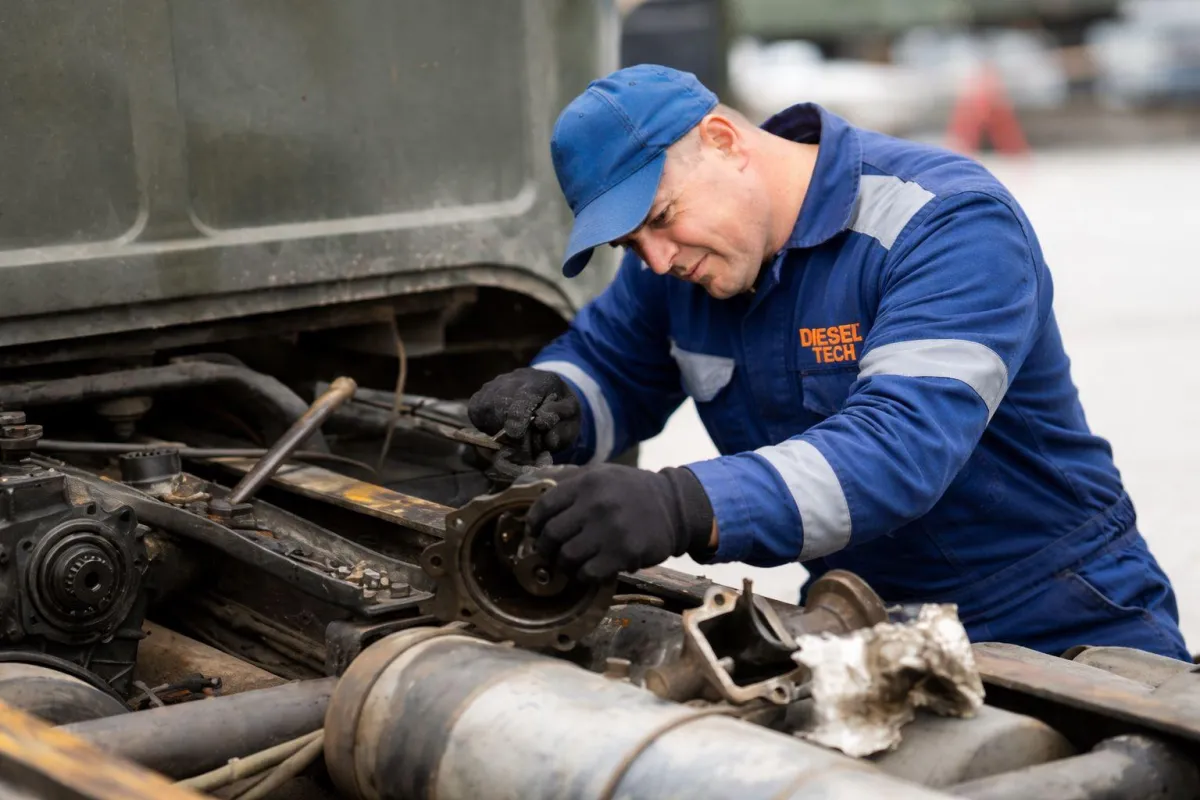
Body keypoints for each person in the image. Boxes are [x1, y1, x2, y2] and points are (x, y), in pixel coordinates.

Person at [467, 64, 1189, 660]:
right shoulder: (680, 264)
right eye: (631, 246)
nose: (656, 259)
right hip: (863, 621)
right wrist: (553, 397)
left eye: (658, 219)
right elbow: (611, 367)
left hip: (1057, 617)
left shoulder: (945, 223)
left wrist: (684, 504)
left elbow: (899, 449)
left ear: (723, 140)